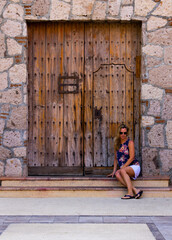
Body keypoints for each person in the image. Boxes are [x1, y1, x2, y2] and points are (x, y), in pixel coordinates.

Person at [108, 123, 143, 199]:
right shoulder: (117, 144)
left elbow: (132, 157)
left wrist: (123, 167)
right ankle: (135, 190)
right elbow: (116, 158)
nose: (123, 134)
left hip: (134, 166)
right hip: (124, 169)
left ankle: (130, 193)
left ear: (127, 133)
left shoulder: (130, 143)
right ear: (119, 133)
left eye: (125, 133)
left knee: (122, 171)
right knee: (117, 174)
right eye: (121, 133)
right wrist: (114, 171)